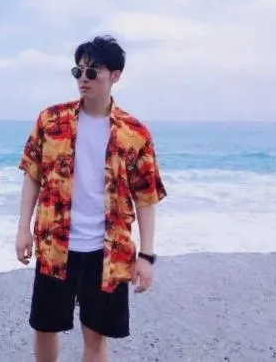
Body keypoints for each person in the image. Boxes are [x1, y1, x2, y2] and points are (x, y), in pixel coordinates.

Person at [15, 35, 167, 362]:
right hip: (55, 245)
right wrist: (22, 229)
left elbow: (146, 197)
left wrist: (147, 255)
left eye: (92, 71)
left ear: (115, 75)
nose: (83, 78)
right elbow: (32, 175)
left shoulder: (135, 132)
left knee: (96, 338)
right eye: (78, 71)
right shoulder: (51, 120)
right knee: (44, 328)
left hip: (108, 252)